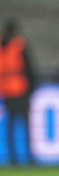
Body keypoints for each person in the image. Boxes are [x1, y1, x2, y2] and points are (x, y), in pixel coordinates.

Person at [0, 19, 36, 165]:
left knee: (11, 126)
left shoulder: (4, 47)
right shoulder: (19, 47)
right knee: (25, 126)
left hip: (7, 92)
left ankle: (13, 158)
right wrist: (32, 88)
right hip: (21, 91)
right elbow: (30, 69)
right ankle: (28, 158)